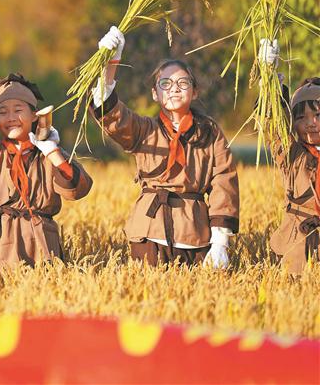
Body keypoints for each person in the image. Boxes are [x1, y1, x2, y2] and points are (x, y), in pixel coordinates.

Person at [89, 26, 239, 267]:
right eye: (165, 84)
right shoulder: (144, 130)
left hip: (195, 234)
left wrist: (220, 242)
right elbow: (112, 116)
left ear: (195, 90)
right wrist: (110, 64)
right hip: (149, 230)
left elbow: (224, 181)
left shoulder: (210, 133)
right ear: (155, 94)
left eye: (183, 83)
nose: (174, 88)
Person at [0, 38, 92, 266]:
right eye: (2, 111)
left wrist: (54, 154)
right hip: (0, 246)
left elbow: (78, 190)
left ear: (34, 115)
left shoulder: (48, 153)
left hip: (42, 246)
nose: (10, 117)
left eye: (18, 110)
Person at [260, 39, 320, 274]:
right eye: (300, 117)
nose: (310, 124)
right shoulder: (292, 155)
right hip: (298, 246)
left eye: (317, 114)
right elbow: (274, 126)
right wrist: (269, 77)